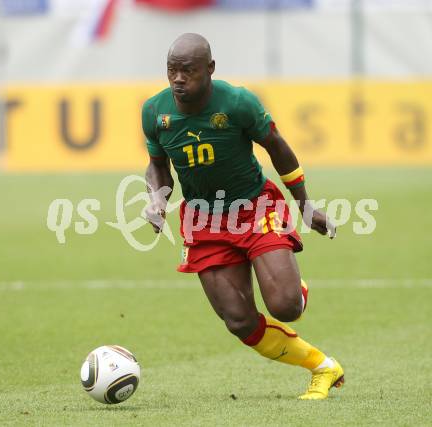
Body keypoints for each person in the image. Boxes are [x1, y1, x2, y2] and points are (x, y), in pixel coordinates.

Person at [142, 33, 344, 400]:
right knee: (238, 320)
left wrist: (304, 204)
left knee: (285, 306)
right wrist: (157, 200)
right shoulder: (154, 112)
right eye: (172, 69)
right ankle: (322, 366)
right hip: (203, 221)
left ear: (210, 69)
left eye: (188, 70)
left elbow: (278, 148)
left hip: (254, 208)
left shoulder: (237, 102)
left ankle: (290, 286)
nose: (177, 79)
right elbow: (157, 166)